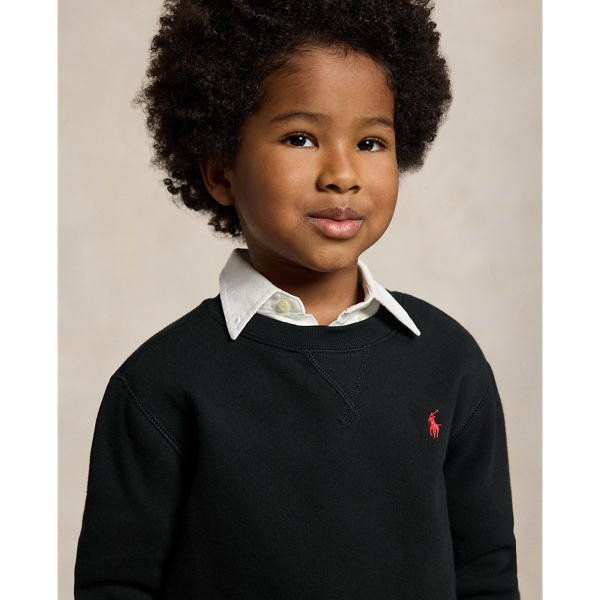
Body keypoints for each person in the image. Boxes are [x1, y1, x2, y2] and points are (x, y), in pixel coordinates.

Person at [75, 1, 519, 598]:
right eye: (301, 137)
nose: (342, 174)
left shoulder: (450, 363)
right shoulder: (161, 385)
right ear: (220, 170)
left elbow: (487, 572)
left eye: (371, 142)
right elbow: (116, 584)